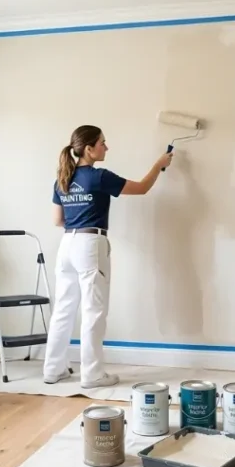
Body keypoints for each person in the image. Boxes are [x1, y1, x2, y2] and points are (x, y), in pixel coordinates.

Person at [43, 125, 174, 388]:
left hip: (67, 245)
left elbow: (58, 220)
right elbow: (142, 188)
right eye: (102, 143)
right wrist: (159, 164)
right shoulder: (99, 176)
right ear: (89, 149)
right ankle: (92, 375)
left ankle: (53, 369)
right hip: (90, 244)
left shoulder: (62, 178)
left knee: (63, 310)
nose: (107, 147)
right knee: (93, 311)